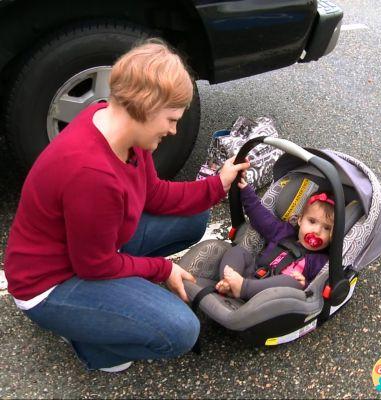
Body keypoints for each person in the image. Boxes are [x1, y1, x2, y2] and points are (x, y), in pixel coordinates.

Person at [4, 39, 250, 372]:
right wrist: (162, 269)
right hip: (50, 283)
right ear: (146, 107)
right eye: (171, 119)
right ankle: (90, 341)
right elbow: (95, 265)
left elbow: (154, 194)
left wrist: (217, 184)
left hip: (86, 251)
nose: (174, 130)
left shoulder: (111, 121)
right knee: (180, 331)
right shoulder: (91, 175)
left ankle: (108, 307)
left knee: (194, 217)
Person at [216, 176, 334, 300]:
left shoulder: (320, 261)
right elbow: (261, 218)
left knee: (294, 282)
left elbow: (318, 288)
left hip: (275, 296)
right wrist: (246, 191)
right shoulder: (284, 232)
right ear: (300, 220)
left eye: (327, 228)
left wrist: (305, 284)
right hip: (252, 274)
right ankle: (228, 283)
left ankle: (242, 288)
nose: (316, 231)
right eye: (312, 221)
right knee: (238, 251)